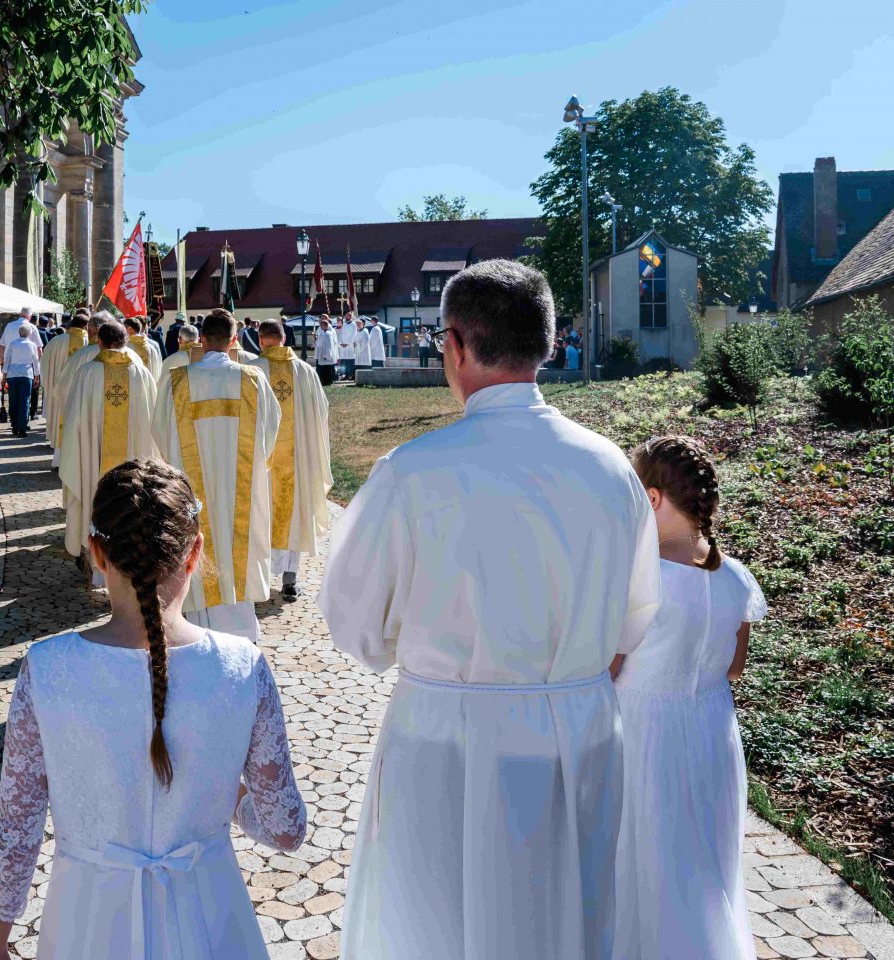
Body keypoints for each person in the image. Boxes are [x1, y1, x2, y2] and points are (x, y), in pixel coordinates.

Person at [319, 259, 660, 959]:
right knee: (565, 921)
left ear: (453, 345)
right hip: (579, 730)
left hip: (448, 733)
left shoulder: (413, 471)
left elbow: (355, 625)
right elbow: (635, 619)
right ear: (549, 340)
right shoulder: (611, 469)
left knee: (436, 924)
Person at [0, 460, 306, 960]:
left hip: (86, 923)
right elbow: (285, 828)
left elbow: (15, 833)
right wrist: (229, 795)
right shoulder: (242, 667)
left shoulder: (47, 670)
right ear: (194, 554)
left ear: (97, 553)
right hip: (212, 919)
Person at [611, 436, 764, 960]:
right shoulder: (736, 577)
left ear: (652, 499)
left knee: (645, 859)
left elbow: (609, 667)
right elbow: (734, 667)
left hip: (643, 731)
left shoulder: (641, 577)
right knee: (704, 862)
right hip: (712, 733)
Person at [152, 309, 281, 643]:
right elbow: (271, 428)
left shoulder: (177, 380)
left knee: (196, 539)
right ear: (234, 339)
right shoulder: (253, 379)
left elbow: (161, 432)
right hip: (243, 484)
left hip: (192, 484)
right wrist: (253, 463)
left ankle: (195, 627)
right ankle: (239, 629)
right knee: (238, 543)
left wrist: (179, 463)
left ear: (202, 340)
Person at [59, 320, 159, 578]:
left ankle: (98, 567)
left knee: (97, 499)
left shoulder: (87, 374)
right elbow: (154, 422)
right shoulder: (141, 373)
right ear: (124, 341)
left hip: (95, 463)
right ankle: (131, 564)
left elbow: (72, 423)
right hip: (134, 464)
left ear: (100, 342)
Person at [251, 321, 332, 602]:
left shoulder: (251, 372)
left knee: (260, 513)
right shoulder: (306, 372)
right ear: (284, 338)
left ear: (261, 340)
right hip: (296, 461)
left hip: (261, 461)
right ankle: (290, 580)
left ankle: (257, 580)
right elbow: (321, 412)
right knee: (294, 512)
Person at [40, 313, 91, 467]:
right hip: (80, 394)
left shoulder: (56, 341)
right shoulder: (89, 344)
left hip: (59, 393)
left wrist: (50, 387)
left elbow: (44, 365)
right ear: (86, 326)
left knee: (61, 426)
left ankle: (57, 460)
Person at [1, 322, 42, 438]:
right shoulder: (33, 345)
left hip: (12, 374)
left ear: (19, 333)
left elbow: (7, 359)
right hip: (26, 374)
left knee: (13, 400)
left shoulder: (13, 344)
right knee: (25, 401)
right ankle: (22, 428)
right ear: (29, 334)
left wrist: (4, 374)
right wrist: (37, 375)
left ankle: (14, 426)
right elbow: (35, 361)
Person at [314, 315, 338, 386]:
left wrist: (327, 354)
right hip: (321, 352)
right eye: (321, 325)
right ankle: (323, 381)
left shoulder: (328, 334)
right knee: (322, 368)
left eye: (322, 325)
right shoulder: (321, 333)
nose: (321, 326)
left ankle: (328, 381)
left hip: (326, 353)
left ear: (326, 325)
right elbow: (319, 343)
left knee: (327, 369)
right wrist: (315, 339)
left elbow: (329, 345)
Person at [336, 311, 356, 381]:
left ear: (351, 317)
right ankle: (345, 375)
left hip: (349, 346)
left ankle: (351, 374)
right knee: (343, 361)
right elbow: (340, 334)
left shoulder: (353, 325)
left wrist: (347, 343)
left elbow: (353, 335)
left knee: (350, 361)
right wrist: (341, 343)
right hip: (342, 346)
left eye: (348, 316)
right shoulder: (343, 325)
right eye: (346, 316)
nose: (347, 317)